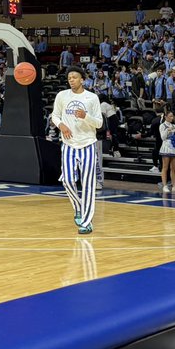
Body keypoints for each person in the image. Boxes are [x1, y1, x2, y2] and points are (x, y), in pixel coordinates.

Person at [52, 66, 102, 234]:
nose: (71, 79)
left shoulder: (92, 98)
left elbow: (99, 123)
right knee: (66, 180)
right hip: (69, 144)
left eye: (74, 77)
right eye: (69, 77)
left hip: (87, 144)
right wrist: (61, 125)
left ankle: (86, 222)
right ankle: (79, 207)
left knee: (88, 184)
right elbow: (55, 116)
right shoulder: (62, 96)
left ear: (82, 79)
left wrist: (85, 116)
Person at [158, 109, 175, 195]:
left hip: (173, 147)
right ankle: (165, 185)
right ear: (166, 117)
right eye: (170, 116)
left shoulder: (174, 126)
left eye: (172, 116)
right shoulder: (162, 126)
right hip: (166, 146)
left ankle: (174, 186)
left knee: (173, 168)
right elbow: (163, 138)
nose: (172, 118)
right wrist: (167, 130)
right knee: (165, 167)